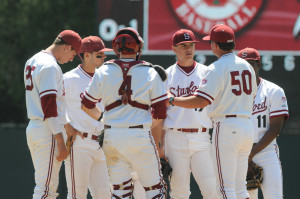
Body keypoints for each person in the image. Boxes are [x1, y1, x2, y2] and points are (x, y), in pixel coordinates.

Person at [168, 24, 257, 199]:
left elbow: (201, 100)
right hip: (246, 126)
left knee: (224, 189)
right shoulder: (247, 66)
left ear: (216, 45)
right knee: (240, 189)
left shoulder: (215, 67)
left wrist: (172, 100)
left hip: (226, 127)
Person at [81, 27, 168, 198]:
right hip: (139, 134)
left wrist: (104, 120)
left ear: (116, 47)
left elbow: (86, 105)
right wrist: (145, 126)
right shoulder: (150, 71)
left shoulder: (103, 70)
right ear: (138, 47)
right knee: (155, 189)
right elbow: (160, 113)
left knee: (120, 191)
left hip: (112, 135)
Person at [24, 30, 82, 198]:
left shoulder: (33, 60)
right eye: (73, 53)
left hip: (35, 128)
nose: (72, 58)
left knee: (44, 185)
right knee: (46, 189)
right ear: (67, 47)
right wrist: (59, 139)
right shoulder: (50, 66)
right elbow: (49, 106)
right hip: (47, 130)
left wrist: (66, 124)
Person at [162, 29, 218, 199]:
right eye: (183, 45)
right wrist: (160, 145)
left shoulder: (207, 72)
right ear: (174, 48)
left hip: (201, 137)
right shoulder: (166, 75)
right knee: (179, 192)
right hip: (174, 137)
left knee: (212, 189)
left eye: (191, 45)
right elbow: (160, 113)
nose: (188, 49)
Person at [63, 36, 112, 199]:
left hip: (103, 144)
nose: (103, 58)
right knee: (77, 194)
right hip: (80, 143)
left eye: (104, 55)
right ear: (86, 55)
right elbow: (54, 105)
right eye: (99, 54)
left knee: (105, 194)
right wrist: (66, 124)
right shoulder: (69, 79)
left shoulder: (106, 78)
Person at [237, 47, 289, 199]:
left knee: (274, 196)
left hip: (265, 151)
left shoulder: (273, 91)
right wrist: (244, 155)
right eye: (243, 65)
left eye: (250, 64)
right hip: (240, 152)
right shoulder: (231, 94)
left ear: (258, 64)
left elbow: (274, 130)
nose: (247, 68)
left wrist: (251, 154)